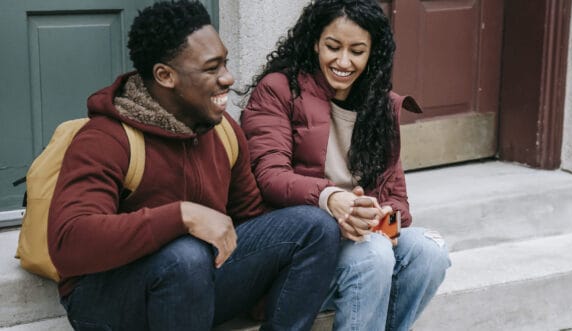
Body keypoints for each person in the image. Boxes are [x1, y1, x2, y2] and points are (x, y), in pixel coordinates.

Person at [47, 1, 339, 330]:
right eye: (211, 68)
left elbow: (250, 219)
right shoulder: (107, 138)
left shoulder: (224, 130)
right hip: (109, 299)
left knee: (315, 226)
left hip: (197, 282)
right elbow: (69, 244)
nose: (228, 78)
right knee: (185, 256)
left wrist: (263, 285)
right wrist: (181, 216)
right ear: (165, 75)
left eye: (225, 63)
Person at [239, 0, 451, 330]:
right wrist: (332, 200)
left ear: (372, 54)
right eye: (333, 47)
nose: (343, 61)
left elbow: (399, 205)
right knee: (374, 254)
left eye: (357, 51)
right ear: (315, 43)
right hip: (305, 254)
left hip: (363, 240)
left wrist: (384, 221)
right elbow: (269, 176)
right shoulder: (279, 90)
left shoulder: (381, 106)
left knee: (429, 250)